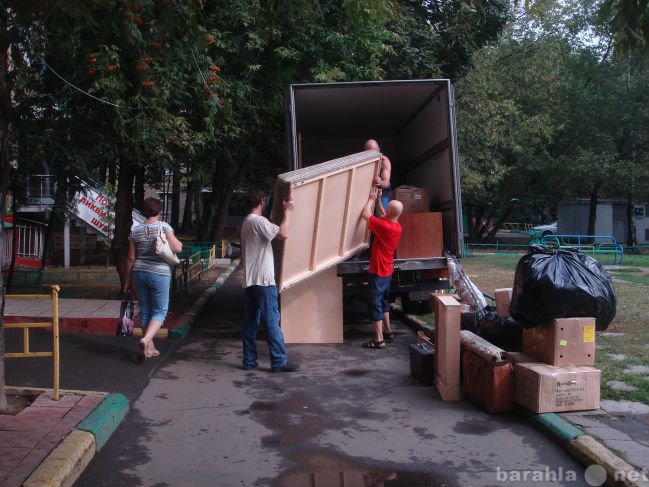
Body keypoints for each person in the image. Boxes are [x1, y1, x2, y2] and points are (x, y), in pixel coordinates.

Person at [240, 189, 299, 372]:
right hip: (263, 280)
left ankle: (249, 361)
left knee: (250, 323)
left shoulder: (246, 223)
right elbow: (283, 233)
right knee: (272, 320)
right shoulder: (258, 221)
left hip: (250, 280)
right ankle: (279, 362)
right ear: (262, 203)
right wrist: (288, 212)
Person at [123, 197, 182, 359]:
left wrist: (127, 282)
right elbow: (177, 248)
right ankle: (146, 339)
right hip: (159, 273)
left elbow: (130, 258)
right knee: (160, 311)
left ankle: (149, 349)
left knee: (145, 310)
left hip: (139, 273)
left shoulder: (135, 230)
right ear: (159, 211)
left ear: (143, 212)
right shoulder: (163, 226)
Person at [360, 187, 403, 349]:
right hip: (388, 271)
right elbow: (384, 213)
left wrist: (370, 199)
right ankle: (388, 331)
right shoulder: (395, 225)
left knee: (374, 302)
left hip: (378, 271)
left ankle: (379, 340)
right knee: (384, 300)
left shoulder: (385, 227)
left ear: (391, 211)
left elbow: (366, 215)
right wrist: (378, 200)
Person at [364, 139, 391, 210]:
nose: (373, 155)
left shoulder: (384, 162)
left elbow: (386, 184)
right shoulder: (363, 162)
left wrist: (379, 182)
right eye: (369, 153)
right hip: (368, 190)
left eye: (374, 152)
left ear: (379, 149)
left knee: (381, 215)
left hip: (382, 191)